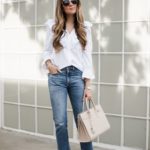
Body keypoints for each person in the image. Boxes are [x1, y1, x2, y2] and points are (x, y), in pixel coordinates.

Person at [42, 0, 95, 149]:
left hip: (77, 77)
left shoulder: (86, 27)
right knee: (60, 122)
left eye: (74, 1)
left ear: (78, 4)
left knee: (83, 123)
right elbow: (46, 50)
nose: (70, 4)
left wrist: (88, 86)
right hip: (57, 77)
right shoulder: (52, 26)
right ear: (61, 5)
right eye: (66, 1)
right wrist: (49, 64)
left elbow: (87, 56)